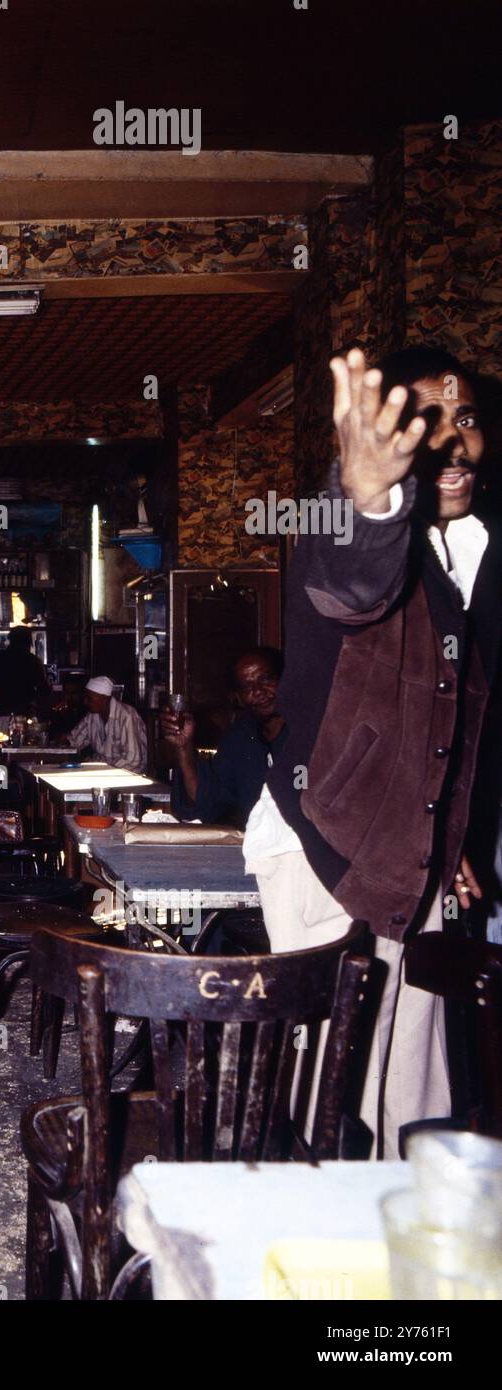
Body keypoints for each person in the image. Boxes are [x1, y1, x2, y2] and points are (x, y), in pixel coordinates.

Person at [246, 345, 501, 1156]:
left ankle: (396, 1263)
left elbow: (458, 714)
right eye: (423, 423)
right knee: (327, 1087)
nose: (452, 445)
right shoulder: (347, 523)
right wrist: (368, 492)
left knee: (409, 1096)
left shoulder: (480, 554)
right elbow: (349, 585)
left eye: (465, 421)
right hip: (328, 842)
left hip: (413, 850)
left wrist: (452, 832)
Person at [162, 647, 285, 828]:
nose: (258, 691)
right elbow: (209, 804)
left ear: (284, 680)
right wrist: (184, 747)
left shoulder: (311, 734)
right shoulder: (239, 739)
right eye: (246, 686)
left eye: (265, 679)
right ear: (239, 698)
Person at [67, 676, 148, 775]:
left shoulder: (126, 716)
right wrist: (62, 742)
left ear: (104, 699)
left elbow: (133, 761)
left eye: (89, 698)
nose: (85, 702)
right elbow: (74, 741)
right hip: (102, 770)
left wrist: (103, 772)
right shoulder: (92, 716)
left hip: (127, 773)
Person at [0, 626, 50, 717]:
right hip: (24, 712)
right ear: (28, 642)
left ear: (10, 640)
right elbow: (44, 689)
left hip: (0, 710)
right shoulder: (32, 661)